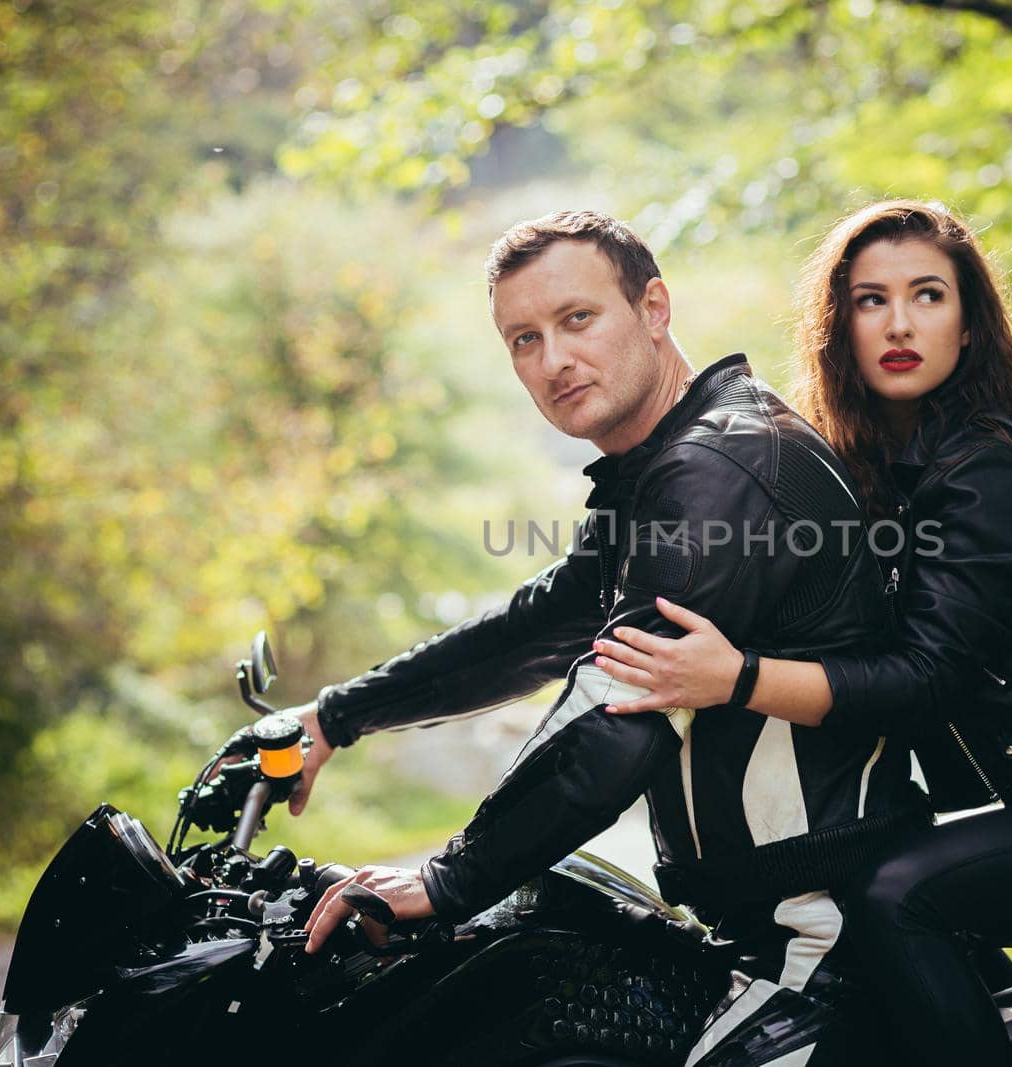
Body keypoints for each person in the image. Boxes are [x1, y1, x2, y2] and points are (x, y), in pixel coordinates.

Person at [592, 199, 1012, 1062]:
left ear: (970, 323)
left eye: (928, 296)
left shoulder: (984, 467)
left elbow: (923, 678)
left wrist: (734, 675)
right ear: (839, 326)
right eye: (872, 300)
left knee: (899, 894)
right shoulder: (889, 469)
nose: (900, 323)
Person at [289, 210, 928, 1065]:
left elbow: (614, 716)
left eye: (577, 319)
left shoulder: (717, 473)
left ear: (654, 308)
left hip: (825, 948)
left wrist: (447, 880)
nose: (553, 360)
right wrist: (337, 715)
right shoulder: (665, 467)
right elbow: (543, 625)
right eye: (524, 339)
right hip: (766, 932)